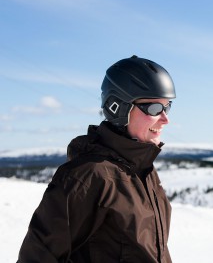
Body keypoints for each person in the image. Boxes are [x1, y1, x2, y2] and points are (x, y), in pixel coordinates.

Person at [17, 55, 176, 263]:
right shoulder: (88, 176)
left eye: (167, 106)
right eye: (154, 108)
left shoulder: (145, 172)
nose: (165, 119)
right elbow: (37, 257)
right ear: (119, 108)